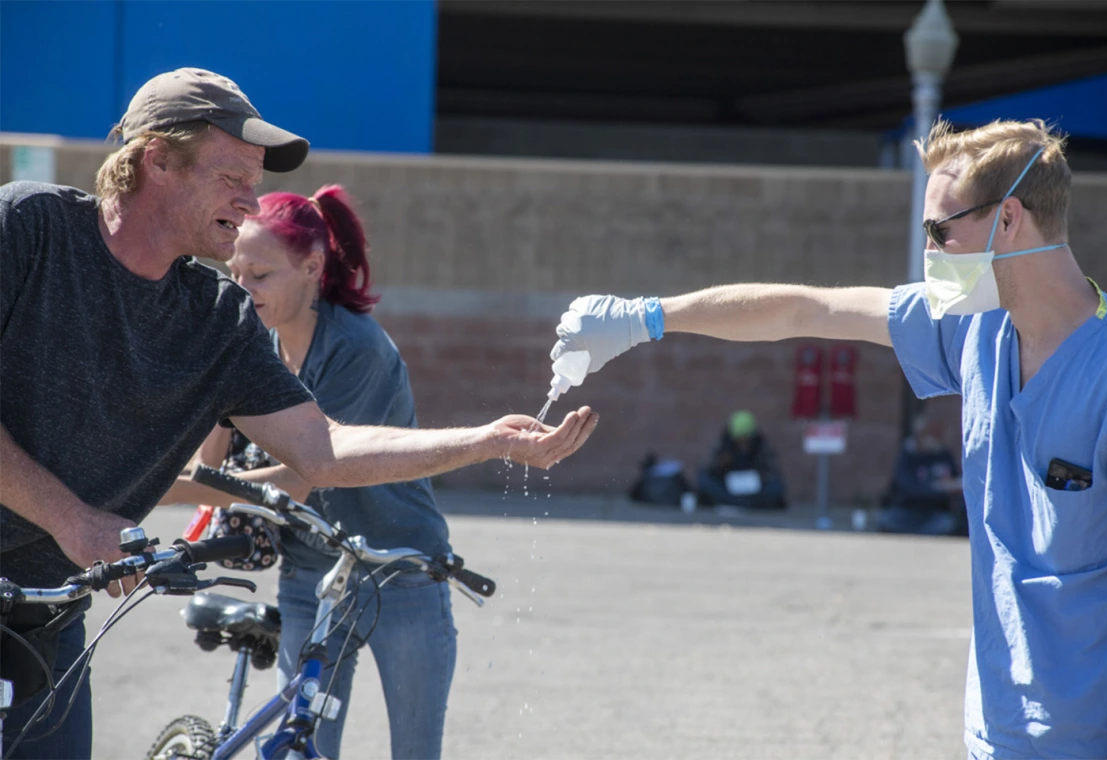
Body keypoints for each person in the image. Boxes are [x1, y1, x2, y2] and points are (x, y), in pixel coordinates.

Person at [0, 67, 597, 759]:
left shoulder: (216, 317)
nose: (250, 204)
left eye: (255, 183)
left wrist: (488, 441)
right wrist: (74, 519)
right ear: (157, 160)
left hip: (48, 617)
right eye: (232, 178)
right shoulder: (29, 228)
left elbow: (323, 451)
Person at [549, 119, 1107, 759]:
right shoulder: (974, 331)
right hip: (994, 737)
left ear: (1008, 221)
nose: (930, 252)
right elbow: (807, 308)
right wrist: (646, 318)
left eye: (941, 230)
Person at [160, 185, 457, 759]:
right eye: (236, 273)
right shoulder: (252, 335)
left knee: (416, 752)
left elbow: (307, 475)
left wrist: (169, 489)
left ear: (312, 268)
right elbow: (209, 465)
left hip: (399, 572)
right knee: (302, 748)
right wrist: (221, 379)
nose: (241, 290)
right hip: (310, 578)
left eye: (261, 276)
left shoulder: (358, 350)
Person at [876, 414, 966, 536]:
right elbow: (908, 488)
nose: (934, 437)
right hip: (907, 512)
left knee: (947, 523)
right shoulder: (907, 456)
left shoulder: (944, 456)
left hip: (934, 513)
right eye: (930, 433)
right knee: (886, 519)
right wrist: (939, 488)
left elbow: (955, 481)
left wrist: (950, 488)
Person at [696, 410, 787, 509]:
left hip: (755, 489)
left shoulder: (762, 447)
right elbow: (706, 468)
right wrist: (720, 464)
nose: (743, 445)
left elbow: (772, 471)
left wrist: (758, 476)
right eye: (740, 440)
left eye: (746, 440)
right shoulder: (723, 446)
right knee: (704, 481)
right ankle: (739, 503)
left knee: (776, 487)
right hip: (728, 487)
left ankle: (742, 503)